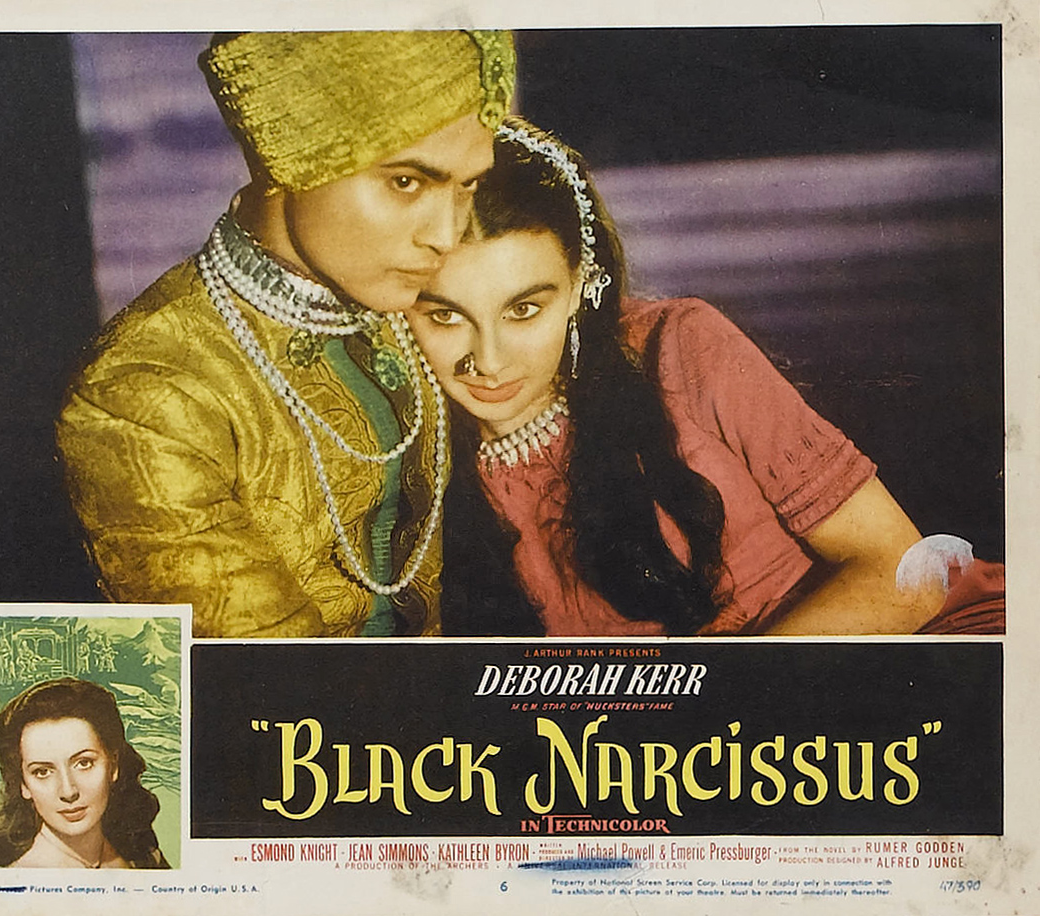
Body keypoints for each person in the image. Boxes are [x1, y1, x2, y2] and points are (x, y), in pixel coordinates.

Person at [407, 118, 1005, 636]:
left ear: (578, 286)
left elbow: (905, 577)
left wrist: (719, 705)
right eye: (445, 316)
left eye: (524, 309)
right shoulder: (398, 442)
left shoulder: (678, 347)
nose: (488, 361)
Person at [56, 31, 516, 638]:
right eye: (406, 183)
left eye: (468, 185)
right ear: (289, 157)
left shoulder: (407, 308)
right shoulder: (143, 398)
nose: (446, 235)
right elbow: (271, 674)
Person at [0, 677, 169, 868]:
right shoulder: (26, 874)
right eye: (42, 772)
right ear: (24, 785)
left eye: (84, 763)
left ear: (113, 766)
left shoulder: (141, 853)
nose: (68, 792)